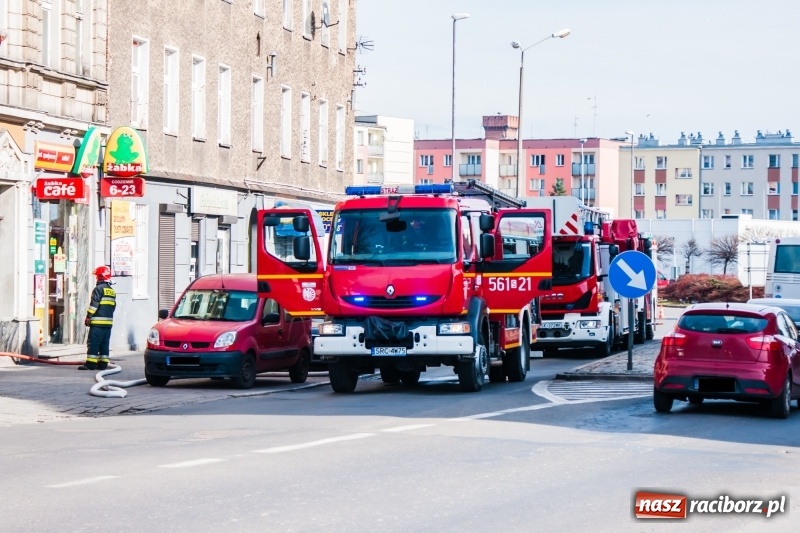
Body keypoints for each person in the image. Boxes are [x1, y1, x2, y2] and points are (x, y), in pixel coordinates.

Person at [78, 266, 117, 371]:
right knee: (104, 344)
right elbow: (113, 307)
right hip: (108, 323)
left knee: (94, 343)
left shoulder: (98, 289)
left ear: (99, 276)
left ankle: (91, 364)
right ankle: (103, 365)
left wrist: (88, 317)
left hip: (97, 323)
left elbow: (94, 305)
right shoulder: (111, 290)